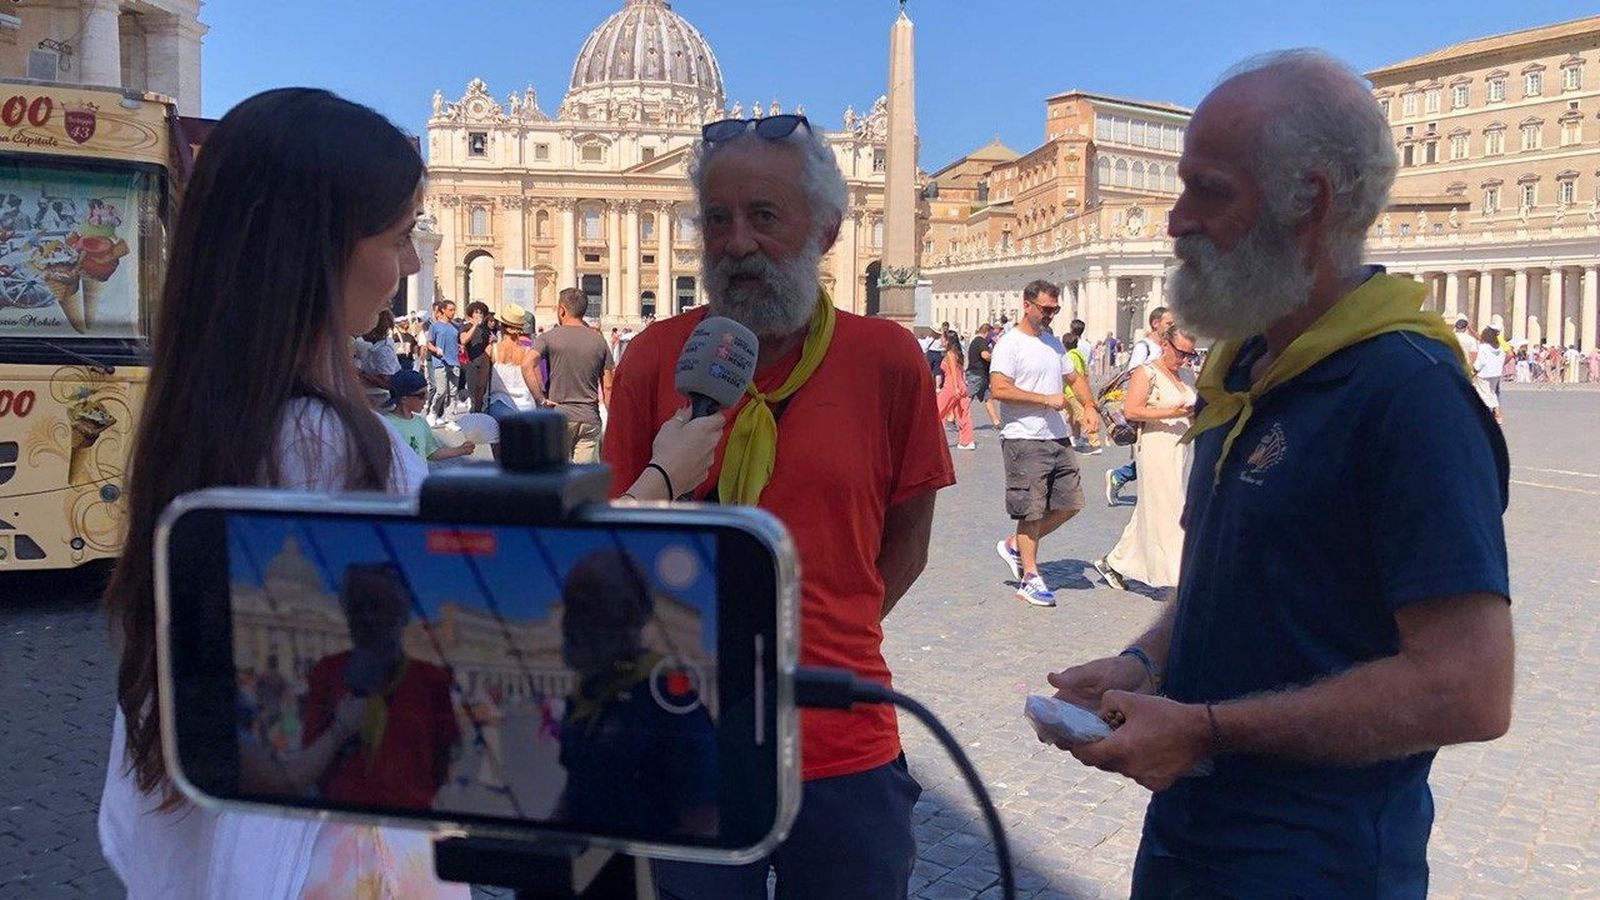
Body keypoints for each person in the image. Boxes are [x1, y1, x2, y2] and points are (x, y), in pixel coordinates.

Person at [1047, 50, 1512, 899]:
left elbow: (1470, 687)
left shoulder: (1409, 394)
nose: (1175, 220)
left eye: (1209, 191)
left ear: (1311, 202)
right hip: (1194, 841)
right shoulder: (1244, 368)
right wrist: (1145, 666)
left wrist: (1211, 731)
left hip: (1317, 865)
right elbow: (1235, 582)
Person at [97, 87, 470, 899]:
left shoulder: (206, 413)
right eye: (401, 237)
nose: (410, 267)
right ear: (320, 248)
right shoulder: (324, 444)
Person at [603, 112, 953, 899]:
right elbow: (617, 540)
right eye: (718, 220)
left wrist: (823, 633)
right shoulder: (656, 357)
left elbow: (908, 545)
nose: (735, 243)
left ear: (827, 231)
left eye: (764, 217)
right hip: (686, 736)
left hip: (843, 740)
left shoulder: (889, 361)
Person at [553, 548, 716, 837]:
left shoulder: (669, 702)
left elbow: (702, 815)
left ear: (628, 615)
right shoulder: (586, 693)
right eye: (569, 606)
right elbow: (574, 791)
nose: (568, 623)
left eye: (584, 607)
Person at [302, 563, 460, 810]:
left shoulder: (432, 680)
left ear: (402, 614)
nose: (366, 618)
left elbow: (442, 756)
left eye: (377, 607)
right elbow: (311, 755)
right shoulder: (327, 672)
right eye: (357, 608)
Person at [990, 280, 1102, 608]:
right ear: (1027, 305)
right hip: (1023, 436)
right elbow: (1000, 389)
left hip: (1057, 435)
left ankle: (1015, 545)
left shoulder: (1053, 343)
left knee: (1070, 503)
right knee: (1032, 508)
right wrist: (1044, 400)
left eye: (1055, 310)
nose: (1051, 315)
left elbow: (1074, 378)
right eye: (1046, 309)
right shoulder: (1009, 344)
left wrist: (1090, 407)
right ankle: (1030, 577)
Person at [1093, 325, 1198, 592]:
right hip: (1155, 446)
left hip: (1183, 447)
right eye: (1181, 353)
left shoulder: (1187, 375)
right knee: (1170, 508)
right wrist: (1172, 411)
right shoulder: (1146, 372)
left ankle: (1114, 563)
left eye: (1190, 354)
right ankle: (1179, 577)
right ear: (1165, 345)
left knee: (1150, 509)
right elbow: (1132, 409)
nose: (1185, 359)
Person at [529, 288, 614, 462]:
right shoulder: (599, 340)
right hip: (589, 416)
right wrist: (612, 416)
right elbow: (608, 386)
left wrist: (540, 398)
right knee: (582, 479)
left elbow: (527, 364)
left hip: (559, 414)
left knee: (554, 474)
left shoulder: (548, 337)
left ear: (562, 310)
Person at [1107, 307, 1177, 503]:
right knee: (1151, 458)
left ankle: (1124, 477)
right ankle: (1121, 477)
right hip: (1145, 411)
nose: (1172, 326)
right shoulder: (1143, 348)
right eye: (1169, 323)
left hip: (1165, 411)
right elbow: (1133, 376)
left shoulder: (1168, 346)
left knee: (1160, 458)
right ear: (1155, 324)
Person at [383, 369, 475, 462]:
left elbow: (431, 452)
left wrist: (460, 450)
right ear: (404, 399)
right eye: (421, 395)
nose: (426, 398)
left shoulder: (421, 423)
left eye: (427, 394)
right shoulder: (386, 425)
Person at [936, 329, 976, 450]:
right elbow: (961, 371)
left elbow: (953, 372)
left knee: (938, 411)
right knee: (963, 414)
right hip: (962, 386)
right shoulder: (959, 354)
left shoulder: (950, 354)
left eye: (942, 338)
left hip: (952, 386)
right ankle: (967, 441)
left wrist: (955, 387)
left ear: (948, 340)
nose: (941, 340)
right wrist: (961, 386)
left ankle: (935, 440)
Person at [354, 309, 401, 409]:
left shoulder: (382, 351)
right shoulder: (377, 347)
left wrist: (362, 374)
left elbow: (387, 382)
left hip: (379, 398)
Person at [424, 298, 460, 424]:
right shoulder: (435, 326)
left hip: (455, 361)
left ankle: (450, 419)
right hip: (440, 362)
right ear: (443, 310)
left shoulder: (456, 326)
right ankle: (433, 412)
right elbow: (429, 344)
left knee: (454, 392)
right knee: (441, 391)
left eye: (454, 310)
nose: (453, 312)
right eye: (450, 310)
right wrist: (436, 350)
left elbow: (459, 341)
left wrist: (460, 347)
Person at [459, 301, 494, 413]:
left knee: (482, 391)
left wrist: (493, 342)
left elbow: (488, 346)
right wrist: (474, 325)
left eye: (481, 312)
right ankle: (474, 413)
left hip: (484, 362)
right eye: (476, 312)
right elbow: (463, 340)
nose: (479, 315)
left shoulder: (486, 329)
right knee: (473, 391)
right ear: (471, 314)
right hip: (471, 363)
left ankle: (479, 413)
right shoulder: (465, 327)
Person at [965, 322, 1001, 429]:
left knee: (988, 398)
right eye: (990, 334)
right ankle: (952, 418)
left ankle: (996, 422)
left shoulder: (975, 341)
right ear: (986, 332)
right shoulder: (981, 342)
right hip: (977, 374)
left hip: (981, 375)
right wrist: (995, 358)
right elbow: (985, 355)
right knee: (967, 397)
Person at [1472, 326, 1506, 425]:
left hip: (1484, 374)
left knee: (1483, 394)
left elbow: (1480, 362)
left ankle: (1485, 416)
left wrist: (1474, 370)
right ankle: (1498, 415)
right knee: (1492, 393)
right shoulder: (1500, 347)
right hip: (1496, 373)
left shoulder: (1483, 347)